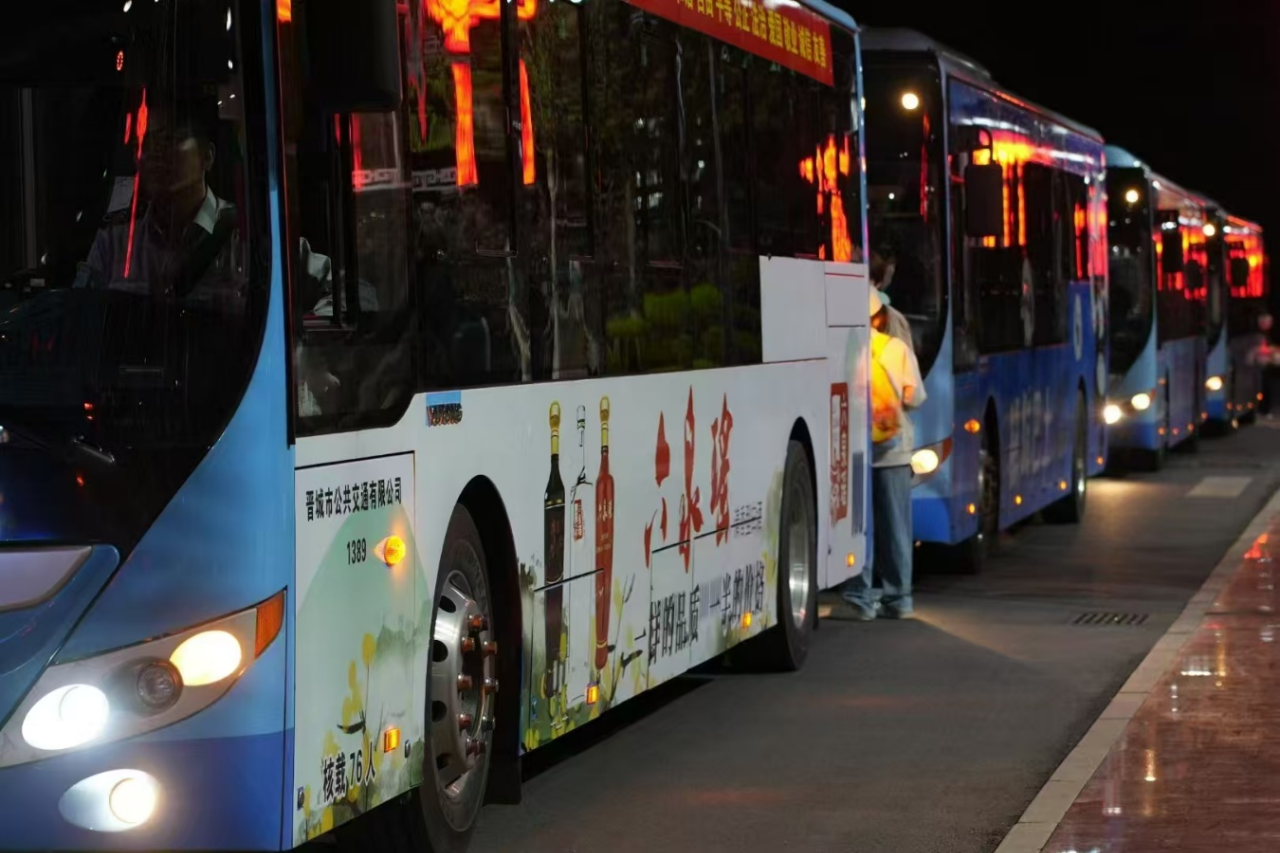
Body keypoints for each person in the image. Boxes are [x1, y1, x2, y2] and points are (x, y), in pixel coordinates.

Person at [829, 287, 926, 620]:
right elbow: (915, 397)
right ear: (878, 316)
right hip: (894, 451)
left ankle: (860, 596)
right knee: (896, 526)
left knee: (860, 526)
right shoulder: (896, 349)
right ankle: (899, 598)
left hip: (856, 450)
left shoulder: (841, 352)